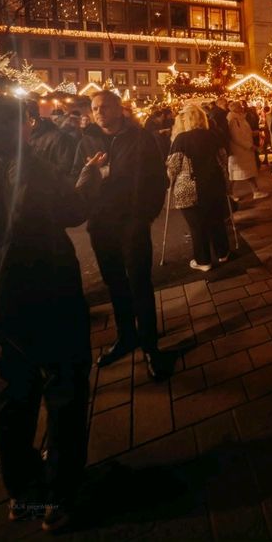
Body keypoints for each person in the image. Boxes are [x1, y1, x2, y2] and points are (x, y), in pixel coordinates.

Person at [0, 94, 106, 531]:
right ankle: (60, 495)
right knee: (64, 389)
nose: (33, 126)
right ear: (16, 126)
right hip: (44, 291)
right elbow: (70, 211)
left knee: (12, 399)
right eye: (27, 120)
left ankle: (22, 493)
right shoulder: (26, 165)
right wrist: (89, 179)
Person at [72, 90, 169, 381]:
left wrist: (144, 216)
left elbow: (158, 180)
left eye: (104, 106)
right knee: (115, 283)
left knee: (140, 283)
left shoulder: (140, 139)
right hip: (101, 225)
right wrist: (92, 178)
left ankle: (151, 345)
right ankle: (127, 336)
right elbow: (74, 177)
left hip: (132, 223)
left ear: (118, 109)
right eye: (95, 107)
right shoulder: (86, 140)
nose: (99, 112)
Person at [166, 103, 231, 272]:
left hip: (190, 189)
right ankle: (223, 252)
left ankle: (203, 261)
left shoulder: (181, 139)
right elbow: (223, 160)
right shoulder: (214, 135)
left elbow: (173, 168)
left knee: (197, 226)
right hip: (214, 185)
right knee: (217, 221)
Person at [227, 102, 268, 199]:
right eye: (240, 107)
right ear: (236, 109)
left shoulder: (239, 119)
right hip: (240, 152)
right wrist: (252, 146)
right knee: (236, 175)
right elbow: (237, 137)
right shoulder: (233, 120)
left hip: (244, 152)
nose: (242, 108)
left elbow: (244, 133)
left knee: (245, 174)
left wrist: (254, 133)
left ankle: (255, 191)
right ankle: (230, 194)